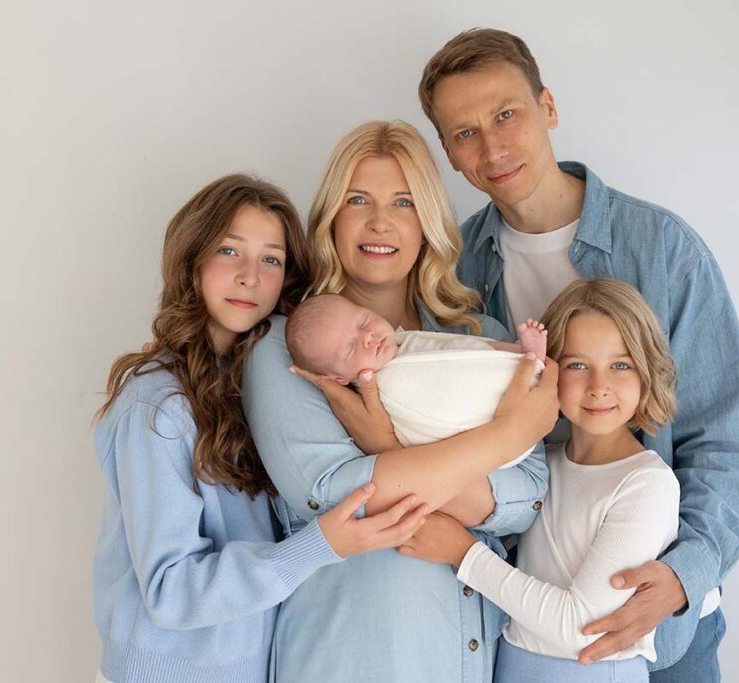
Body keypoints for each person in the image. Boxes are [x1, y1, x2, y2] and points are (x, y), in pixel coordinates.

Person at [418, 28, 739, 679]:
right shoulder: (452, 269)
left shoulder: (663, 248)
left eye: (505, 114)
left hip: (661, 623)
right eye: (464, 132)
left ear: (547, 106)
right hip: (525, 629)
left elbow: (728, 439)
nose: (491, 147)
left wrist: (682, 574)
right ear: (448, 152)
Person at [241, 120, 559, 682]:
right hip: (354, 653)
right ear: (331, 219)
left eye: (403, 201)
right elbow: (334, 494)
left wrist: (384, 450)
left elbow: (528, 496)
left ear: (427, 222)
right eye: (357, 199)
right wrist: (502, 437)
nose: (379, 221)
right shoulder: (287, 348)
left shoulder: (477, 334)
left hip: (468, 650)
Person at [90, 174, 431, 683]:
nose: (251, 276)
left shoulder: (266, 385)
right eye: (230, 252)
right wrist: (321, 544)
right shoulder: (157, 404)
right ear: (192, 260)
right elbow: (170, 589)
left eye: (271, 258)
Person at [403, 278, 680, 683]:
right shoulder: (538, 467)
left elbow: (580, 627)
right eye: (577, 365)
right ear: (548, 370)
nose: (599, 386)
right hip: (513, 666)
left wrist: (464, 554)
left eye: (620, 365)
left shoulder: (646, 484)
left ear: (646, 372)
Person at [286, 293, 545, 462]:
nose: (367, 337)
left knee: (468, 353)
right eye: (351, 349)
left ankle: (520, 358)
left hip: (522, 417)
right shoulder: (382, 390)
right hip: (485, 441)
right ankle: (525, 365)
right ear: (338, 378)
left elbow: (457, 350)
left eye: (364, 321)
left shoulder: (405, 341)